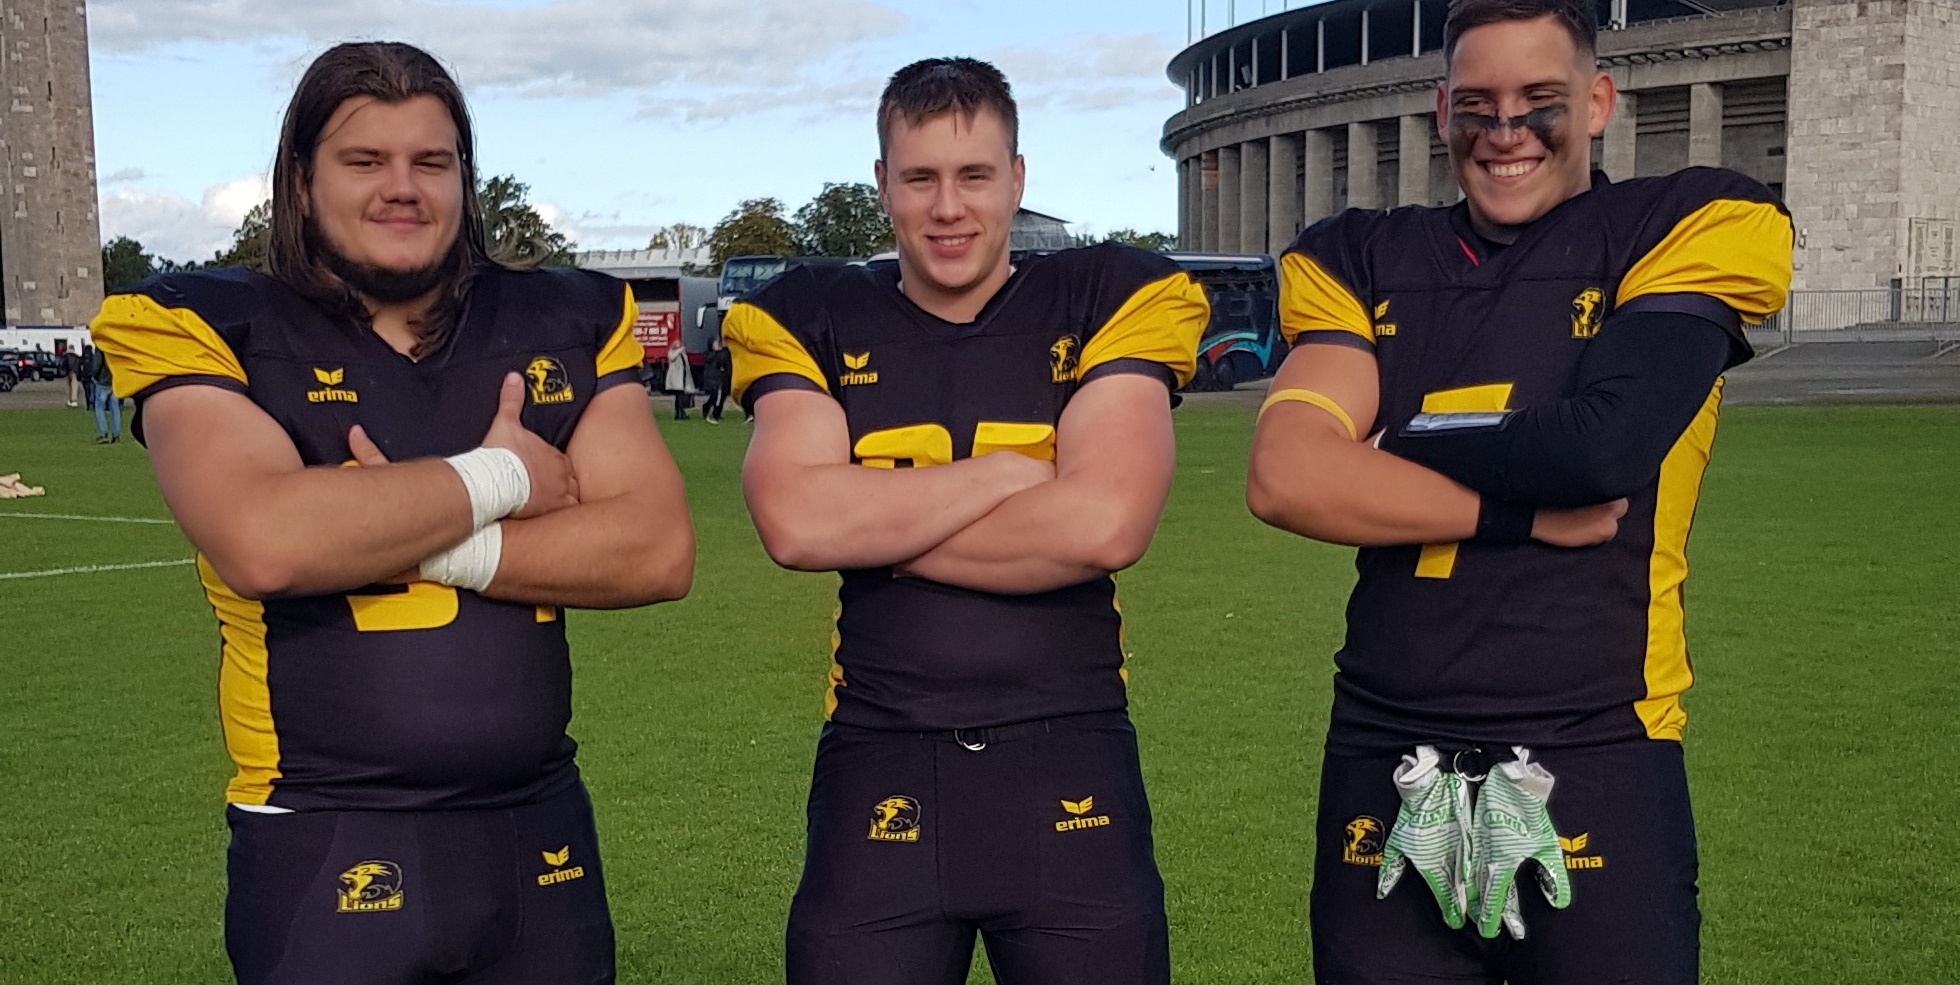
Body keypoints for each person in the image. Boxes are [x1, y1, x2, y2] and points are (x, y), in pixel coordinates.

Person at [89, 42, 694, 985]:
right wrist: (502, 474)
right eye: (364, 161)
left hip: (538, 835)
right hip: (323, 833)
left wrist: (404, 530)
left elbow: (655, 549)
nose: (400, 188)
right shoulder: (206, 322)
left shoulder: (559, 317)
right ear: (300, 181)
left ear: (465, 177)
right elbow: (266, 539)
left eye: (431, 162)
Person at [1244, 1, 1792, 982]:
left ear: (1597, 101)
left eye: (1538, 100)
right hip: (1386, 743)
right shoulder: (1361, 254)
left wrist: (1389, 441)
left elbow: (1602, 449)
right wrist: (1515, 511)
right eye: (1478, 104)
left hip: (1593, 740)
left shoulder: (1679, 225)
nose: (1505, 133)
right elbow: (1286, 475)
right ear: (1440, 106)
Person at [728, 58, 1208, 985]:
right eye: (921, 178)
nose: (948, 207)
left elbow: (1104, 524)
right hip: (880, 752)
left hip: (1070, 750)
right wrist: (1008, 474)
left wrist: (883, 527)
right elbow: (796, 521)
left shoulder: (1108, 295)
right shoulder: (814, 314)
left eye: (974, 175)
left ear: (1016, 179)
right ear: (884, 187)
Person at [87, 343, 121, 443]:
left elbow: (96, 365)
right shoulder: (115, 347)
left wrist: (94, 376)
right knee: (115, 409)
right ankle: (116, 434)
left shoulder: (100, 348)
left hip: (102, 381)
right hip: (113, 381)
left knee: (99, 407)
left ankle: (103, 433)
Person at [700, 336, 731, 423]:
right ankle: (707, 408)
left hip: (718, 377)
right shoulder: (708, 354)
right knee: (714, 395)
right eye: (715, 344)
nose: (717, 345)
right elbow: (710, 360)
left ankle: (716, 412)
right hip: (711, 377)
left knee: (720, 396)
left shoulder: (720, 354)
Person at [664, 338, 693, 420]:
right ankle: (680, 414)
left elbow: (686, 365)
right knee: (679, 396)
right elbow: (671, 357)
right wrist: (678, 351)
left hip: (682, 377)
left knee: (680, 396)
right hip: (676, 378)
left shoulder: (682, 354)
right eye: (677, 344)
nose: (679, 346)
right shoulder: (672, 352)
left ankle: (680, 413)